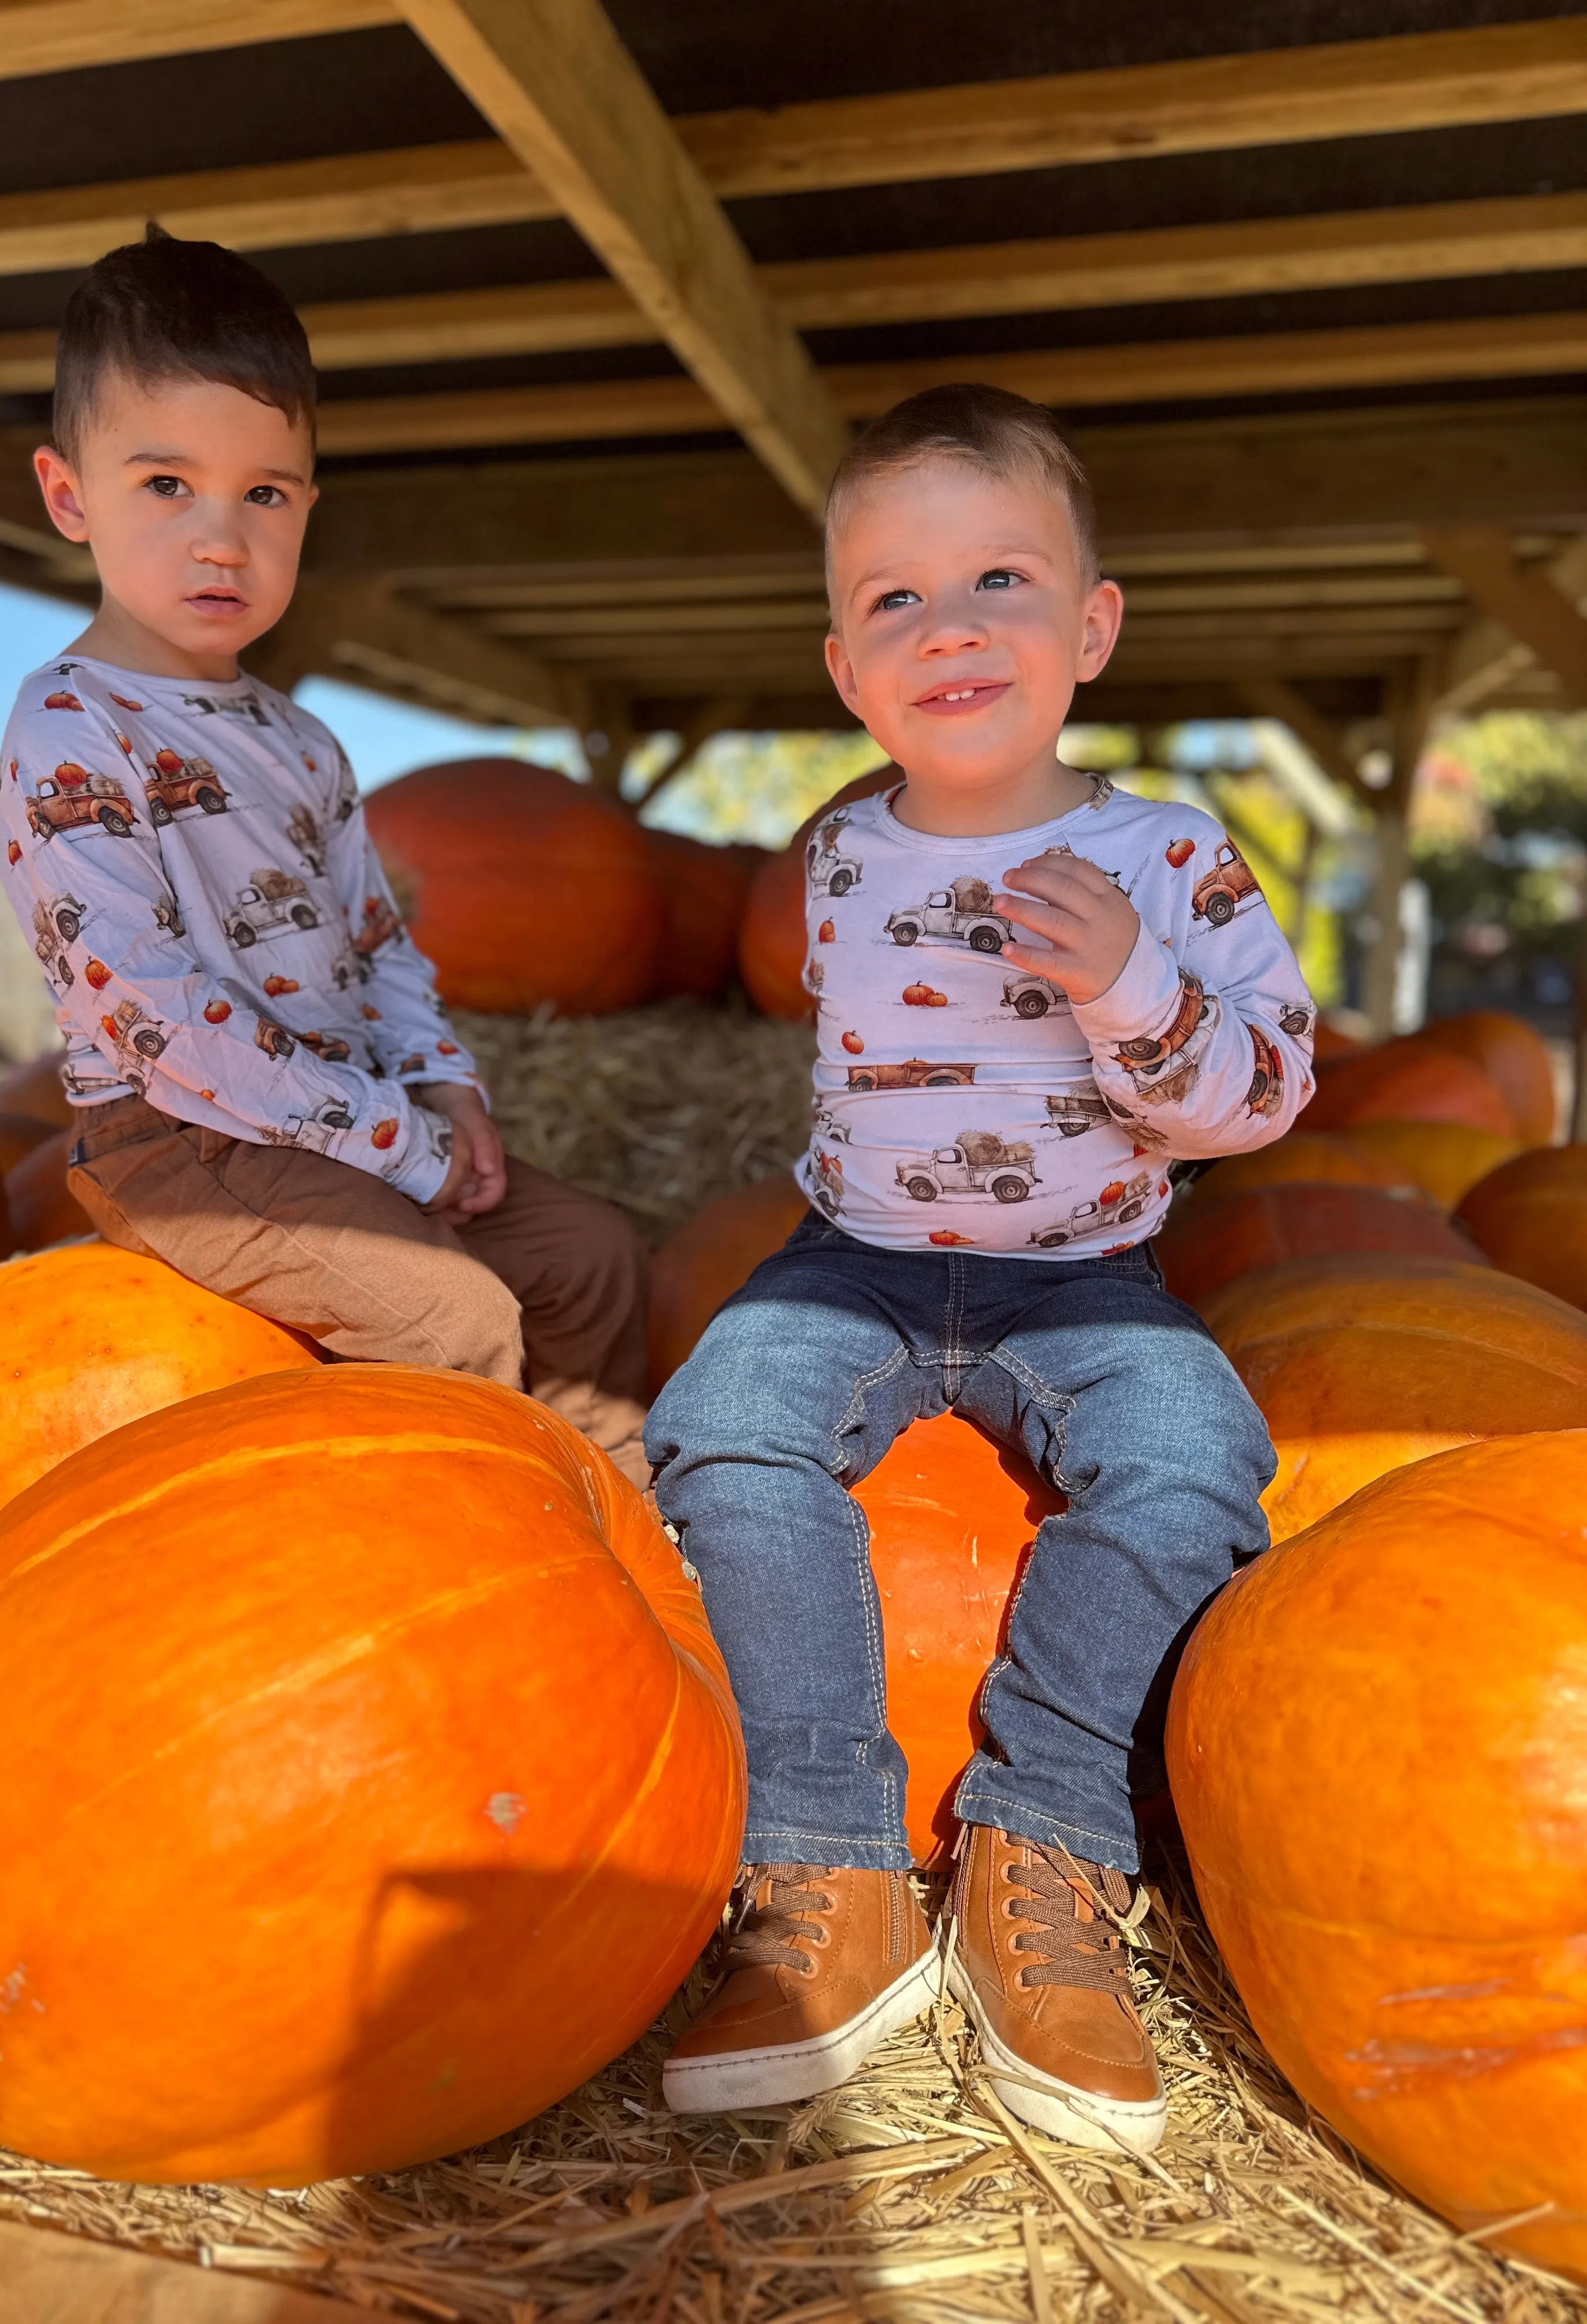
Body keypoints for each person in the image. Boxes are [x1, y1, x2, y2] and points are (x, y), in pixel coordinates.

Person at [647, 384, 1314, 2151]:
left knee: (1199, 1458)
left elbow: (1269, 1090)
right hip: (853, 1263)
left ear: (1090, 628)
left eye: (1001, 581)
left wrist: (1134, 991)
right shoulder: (843, 851)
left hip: (1087, 1276)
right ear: (849, 671)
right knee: (718, 1427)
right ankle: (827, 1865)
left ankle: (1050, 1834)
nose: (950, 628)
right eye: (896, 602)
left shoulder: (1164, 853)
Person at [0, 227, 650, 1484]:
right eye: (167, 485)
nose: (222, 539)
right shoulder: (72, 730)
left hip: (353, 1115)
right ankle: (466, 1542)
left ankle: (619, 1517)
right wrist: (397, 1144)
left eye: (267, 493)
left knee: (595, 1257)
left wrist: (447, 1090)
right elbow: (158, 1021)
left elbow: (375, 943)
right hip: (182, 1139)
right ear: (70, 495)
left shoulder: (300, 739)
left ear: (305, 503)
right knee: (450, 1319)